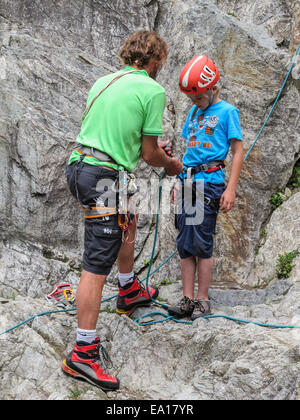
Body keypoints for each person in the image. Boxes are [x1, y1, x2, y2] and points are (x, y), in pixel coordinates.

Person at [62, 30, 182, 391]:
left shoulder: (104, 80)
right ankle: (83, 352)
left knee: (128, 219)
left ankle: (128, 290)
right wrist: (170, 163)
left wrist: (151, 147)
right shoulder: (152, 89)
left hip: (82, 164)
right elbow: (149, 155)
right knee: (96, 265)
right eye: (161, 61)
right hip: (104, 176)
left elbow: (112, 133)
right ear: (155, 60)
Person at [168, 55, 244, 321]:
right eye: (192, 99)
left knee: (202, 241)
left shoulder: (227, 112)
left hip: (209, 184)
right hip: (187, 183)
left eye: (199, 98)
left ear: (213, 89)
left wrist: (230, 188)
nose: (196, 103)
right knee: (185, 243)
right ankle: (187, 299)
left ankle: (203, 299)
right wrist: (178, 182)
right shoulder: (193, 112)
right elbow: (189, 150)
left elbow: (237, 150)